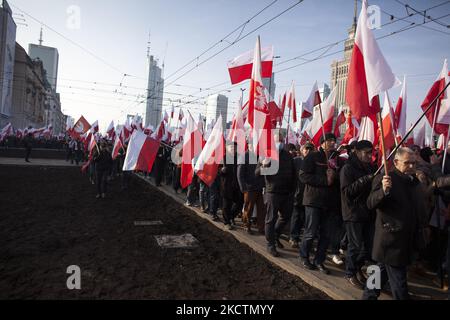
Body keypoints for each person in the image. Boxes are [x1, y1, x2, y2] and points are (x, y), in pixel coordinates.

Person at [363, 147, 428, 300]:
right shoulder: (386, 178)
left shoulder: (414, 182)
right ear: (396, 162)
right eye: (407, 163)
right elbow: (370, 203)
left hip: (406, 239)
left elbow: (419, 206)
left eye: (414, 163)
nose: (412, 166)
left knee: (378, 272)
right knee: (399, 285)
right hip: (391, 241)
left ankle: (368, 296)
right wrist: (383, 192)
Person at [299, 133, 341, 274]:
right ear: (322, 142)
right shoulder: (313, 156)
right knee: (310, 232)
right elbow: (303, 175)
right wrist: (324, 180)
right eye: (329, 140)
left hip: (330, 203)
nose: (332, 143)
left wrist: (335, 176)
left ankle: (319, 261)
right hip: (314, 200)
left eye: (333, 140)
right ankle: (304, 257)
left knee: (326, 234)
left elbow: (340, 180)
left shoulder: (337, 159)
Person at [340, 140, 376, 289]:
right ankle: (349, 273)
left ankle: (357, 268)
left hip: (367, 212)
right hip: (353, 212)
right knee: (354, 246)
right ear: (357, 151)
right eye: (366, 152)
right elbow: (347, 192)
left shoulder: (370, 167)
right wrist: (364, 180)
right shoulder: (348, 168)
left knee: (368, 246)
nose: (369, 155)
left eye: (371, 152)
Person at [256, 136, 296, 257]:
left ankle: (275, 235)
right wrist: (264, 165)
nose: (280, 142)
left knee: (286, 216)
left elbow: (293, 174)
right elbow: (257, 173)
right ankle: (270, 244)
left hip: (287, 193)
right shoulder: (266, 155)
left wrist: (292, 190)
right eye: (277, 140)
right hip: (272, 192)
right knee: (271, 218)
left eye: (282, 140)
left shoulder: (288, 156)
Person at [289, 143, 314, 248]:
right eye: (306, 149)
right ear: (302, 150)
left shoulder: (314, 162)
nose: (308, 151)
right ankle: (293, 237)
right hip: (297, 193)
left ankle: (302, 238)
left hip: (309, 195)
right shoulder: (296, 161)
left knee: (305, 218)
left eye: (310, 149)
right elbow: (290, 177)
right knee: (296, 216)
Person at [237, 145, 265, 234]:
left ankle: (261, 227)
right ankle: (247, 225)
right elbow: (240, 174)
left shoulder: (260, 156)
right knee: (248, 209)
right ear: (248, 145)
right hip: (249, 188)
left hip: (259, 187)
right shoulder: (244, 156)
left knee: (261, 209)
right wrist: (243, 187)